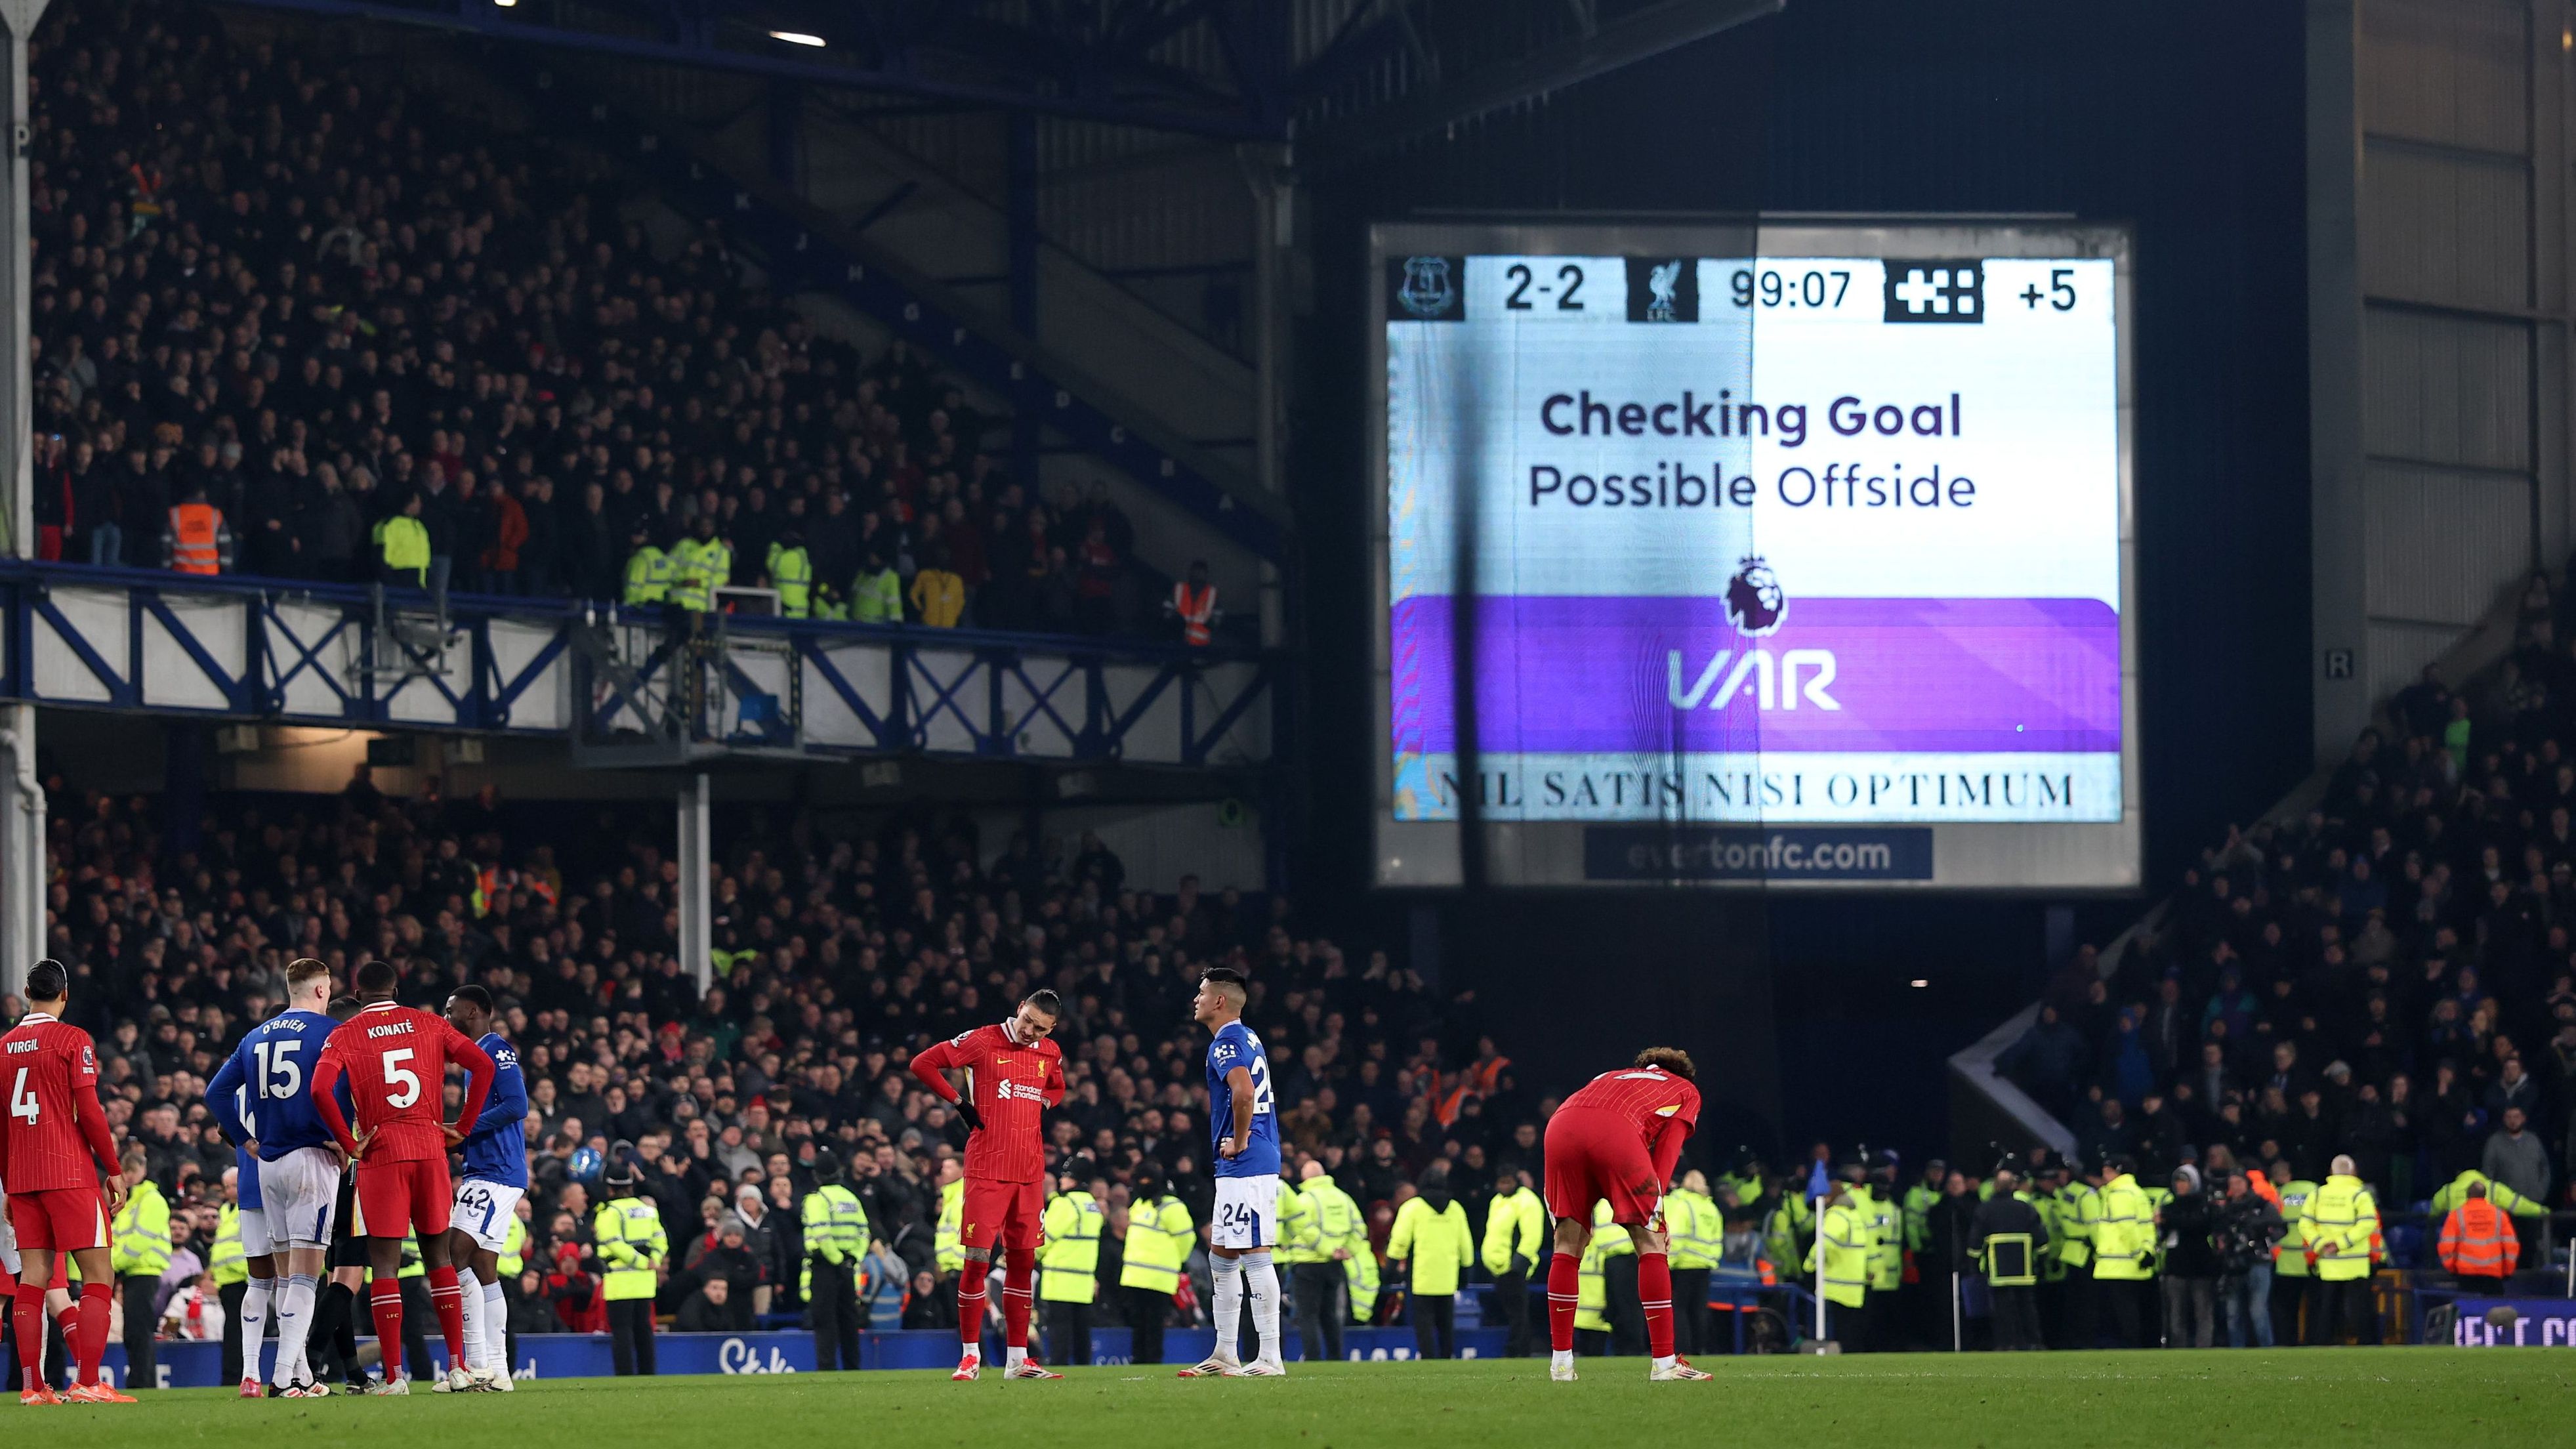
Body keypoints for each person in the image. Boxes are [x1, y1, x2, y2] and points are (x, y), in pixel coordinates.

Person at [309, 958, 498, 1394]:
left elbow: (320, 1089)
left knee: (385, 1266)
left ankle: (394, 1377)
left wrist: (349, 1140)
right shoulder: (428, 1023)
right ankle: (457, 1367)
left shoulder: (346, 1033)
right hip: (430, 1148)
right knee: (440, 1260)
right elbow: (484, 1067)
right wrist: (464, 1128)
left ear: (358, 997)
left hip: (381, 1153)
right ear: (396, 992)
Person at [909, 988, 1068, 1379]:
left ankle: (1018, 1360)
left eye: (1040, 1028)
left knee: (1022, 1263)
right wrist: (961, 1104)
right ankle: (970, 1356)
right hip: (987, 1169)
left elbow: (1057, 1086)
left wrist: (1045, 1104)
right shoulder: (982, 1040)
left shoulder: (1050, 1051)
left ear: (1052, 1028)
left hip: (1030, 1174)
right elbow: (923, 1064)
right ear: (1019, 1009)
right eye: (1028, 1021)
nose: (1030, 1031)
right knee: (977, 1261)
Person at [203, 958, 342, 1396]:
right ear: (322, 991)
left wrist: (245, 1139)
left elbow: (215, 1093)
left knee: (278, 1277)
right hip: (310, 1159)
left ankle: (281, 1373)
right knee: (304, 1276)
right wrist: (345, 1140)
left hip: (267, 1166)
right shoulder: (329, 1033)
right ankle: (286, 1377)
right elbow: (334, 1090)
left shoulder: (254, 1037)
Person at [0, 960, 133, 1404]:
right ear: (64, 995)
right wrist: (114, 1169)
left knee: (32, 1278)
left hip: (23, 1177)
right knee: (98, 1275)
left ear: (26, 992)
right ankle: (90, 1382)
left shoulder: (3, 1047)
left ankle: (32, 1387)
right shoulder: (73, 1040)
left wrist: (7, 1184)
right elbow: (91, 1112)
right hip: (70, 1174)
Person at [1541, 1047, 1711, 1383]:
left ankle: (1561, 1364)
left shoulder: (1608, 1075)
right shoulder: (1685, 1089)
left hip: (1560, 1126)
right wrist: (1656, 1213)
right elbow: (1666, 1151)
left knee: (1566, 1245)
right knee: (1651, 1244)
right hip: (1615, 1133)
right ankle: (1664, 1364)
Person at [1176, 967, 1287, 1377]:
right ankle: (1226, 1352)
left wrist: (1239, 1142)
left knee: (1255, 1253)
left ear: (1219, 1001)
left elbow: (1244, 1092)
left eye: (1202, 993)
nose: (1196, 999)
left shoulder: (1226, 1042)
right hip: (1242, 1163)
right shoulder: (1249, 1036)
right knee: (1222, 1254)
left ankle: (1270, 1357)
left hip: (1247, 1160)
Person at [441, 985, 528, 1391]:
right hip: (485, 1168)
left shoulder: (496, 1050)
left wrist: (464, 1129)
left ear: (472, 1011)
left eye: (450, 1010)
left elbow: (516, 1105)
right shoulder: (476, 1060)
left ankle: (476, 1362)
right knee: (482, 1266)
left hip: (498, 1171)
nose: (446, 1017)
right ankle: (498, 1370)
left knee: (454, 1250)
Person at [1387, 1164, 1473, 1360]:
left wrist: (1389, 1269)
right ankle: (1446, 1359)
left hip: (1422, 1277)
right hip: (1448, 1277)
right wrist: (1465, 1272)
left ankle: (1428, 1360)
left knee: (1424, 1324)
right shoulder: (1455, 1209)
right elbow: (1466, 1245)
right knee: (1446, 1325)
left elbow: (1399, 1241)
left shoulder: (1413, 1208)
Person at [592, 1156, 666, 1376]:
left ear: (610, 1189)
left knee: (622, 1331)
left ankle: (624, 1377)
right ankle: (648, 1375)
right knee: (644, 1329)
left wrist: (640, 1262)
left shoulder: (609, 1212)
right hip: (645, 1281)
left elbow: (613, 1244)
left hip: (620, 1279)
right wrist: (654, 1261)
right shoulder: (648, 1210)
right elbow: (661, 1239)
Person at [2300, 1154, 2381, 1345]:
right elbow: (2368, 1224)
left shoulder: (2318, 1194)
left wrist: (2321, 1244)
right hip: (2356, 1263)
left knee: (2327, 1310)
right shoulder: (2360, 1195)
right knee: (2360, 1311)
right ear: (2353, 1172)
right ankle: (2367, 1347)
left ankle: (2323, 1347)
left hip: (2328, 1263)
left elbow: (2305, 1224)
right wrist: (2342, 1243)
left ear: (2331, 1172)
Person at [1118, 1162, 1193, 1366]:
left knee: (1154, 1324)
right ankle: (1139, 1359)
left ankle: (1152, 1360)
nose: (1143, 1184)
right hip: (1134, 1276)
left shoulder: (1172, 1207)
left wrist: (1175, 1262)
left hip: (1159, 1278)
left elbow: (1186, 1240)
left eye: (1147, 1180)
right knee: (1138, 1323)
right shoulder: (1139, 1204)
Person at [801, 1151, 869, 1372]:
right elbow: (864, 1233)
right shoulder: (851, 1198)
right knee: (849, 1321)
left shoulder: (817, 1199)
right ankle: (853, 1369)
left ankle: (827, 1369)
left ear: (817, 1175)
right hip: (849, 1268)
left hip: (826, 1267)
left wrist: (838, 1261)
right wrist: (853, 1259)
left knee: (824, 1321)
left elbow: (822, 1235)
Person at [1968, 1161, 2048, 1351]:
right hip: (2024, 1268)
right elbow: (2042, 1239)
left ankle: (2006, 1343)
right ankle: (2034, 1342)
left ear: (1995, 1186)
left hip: (1998, 1269)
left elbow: (1974, 1241)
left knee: (2002, 1308)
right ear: (2014, 1186)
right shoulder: (2026, 1208)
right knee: (2027, 1307)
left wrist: (1973, 1265)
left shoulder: (1985, 1209)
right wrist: (2043, 1263)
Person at [1286, 1158, 1356, 1364]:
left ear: (1305, 1177)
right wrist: (1346, 1250)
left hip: (1308, 1264)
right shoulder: (1344, 1198)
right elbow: (1359, 1229)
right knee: (1330, 1314)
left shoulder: (1304, 1200)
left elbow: (1303, 1229)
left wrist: (1327, 1249)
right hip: (1335, 1266)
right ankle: (1336, 1357)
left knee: (1308, 1315)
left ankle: (1313, 1358)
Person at [1037, 1164, 1103, 1368]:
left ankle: (1059, 1367)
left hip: (1060, 1278)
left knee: (1060, 1331)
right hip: (1083, 1280)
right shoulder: (1092, 1205)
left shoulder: (1064, 1204)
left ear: (1074, 1180)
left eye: (1066, 1177)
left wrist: (1031, 1255)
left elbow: (1044, 1239)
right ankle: (1084, 1369)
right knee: (1082, 1330)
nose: (1061, 1180)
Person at [1481, 1165, 1547, 1358]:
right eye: (1501, 1182)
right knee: (1511, 1311)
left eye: (1507, 1182)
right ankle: (1516, 1347)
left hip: (1515, 1267)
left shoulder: (1527, 1201)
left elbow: (1532, 1234)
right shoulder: (1497, 1201)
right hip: (1498, 1267)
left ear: (1516, 1181)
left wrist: (1519, 1263)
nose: (1504, 1186)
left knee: (1518, 1312)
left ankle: (1519, 1349)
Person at [2090, 1155, 2155, 1347]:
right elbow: (2146, 1226)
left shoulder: (2118, 1194)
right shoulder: (2137, 1192)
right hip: (2133, 1265)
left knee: (2121, 1312)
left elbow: (2127, 1227)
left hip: (2116, 1265)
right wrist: (2147, 1251)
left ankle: (2127, 1347)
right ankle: (2134, 1345)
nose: (2104, 1174)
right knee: (2132, 1309)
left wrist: (2139, 1253)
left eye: (2108, 1170)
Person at [2214, 1171, 2283, 1348]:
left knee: (2258, 1310)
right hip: (2233, 1264)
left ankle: (2266, 1349)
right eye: (2232, 1183)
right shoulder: (2226, 1210)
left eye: (2239, 1182)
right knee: (2233, 1312)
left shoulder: (2261, 1205)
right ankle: (2236, 1351)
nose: (2236, 1187)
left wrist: (2265, 1239)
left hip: (2258, 1261)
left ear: (2247, 1184)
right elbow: (2217, 1232)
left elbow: (2280, 1227)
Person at [1660, 1169, 1721, 1359]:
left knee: (1679, 1308)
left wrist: (1668, 1263)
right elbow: (1718, 1238)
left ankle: (1683, 1348)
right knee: (1699, 1309)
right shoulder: (1711, 1208)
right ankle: (1700, 1347)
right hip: (1705, 1265)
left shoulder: (1683, 1204)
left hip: (1684, 1265)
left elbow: (1677, 1236)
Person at [2157, 1166, 2219, 1349]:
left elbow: (2198, 1226)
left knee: (2203, 1314)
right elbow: (2163, 1234)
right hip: (2176, 1267)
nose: (2180, 1185)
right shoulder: (2169, 1206)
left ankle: (2204, 1349)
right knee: (2176, 1316)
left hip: (2202, 1267)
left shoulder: (2205, 1205)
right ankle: (2178, 1351)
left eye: (2184, 1181)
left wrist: (2170, 1220)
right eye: (2177, 1181)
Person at [1806, 1174, 1871, 1348]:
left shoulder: (1837, 1217)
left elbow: (1824, 1243)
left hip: (1835, 1288)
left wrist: (1809, 1263)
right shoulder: (1854, 1216)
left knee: (1835, 1335)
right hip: (1854, 1289)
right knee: (1850, 1336)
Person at [2435, 1179, 2520, 1294]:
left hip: (2466, 1274)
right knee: (2493, 1309)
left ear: (2468, 1195)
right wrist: (2508, 1271)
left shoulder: (2457, 1215)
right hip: (2493, 1275)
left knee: (2469, 1310)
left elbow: (2446, 1246)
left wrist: (2452, 1269)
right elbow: (2512, 1246)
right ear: (2485, 1195)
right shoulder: (2499, 1214)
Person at [162, 479, 234, 576]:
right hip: (209, 575)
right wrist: (226, 571)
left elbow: (166, 545)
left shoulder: (174, 514)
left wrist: (165, 568)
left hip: (181, 574)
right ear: (202, 494)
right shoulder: (215, 514)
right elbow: (225, 545)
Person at [373, 492, 431, 589]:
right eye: (417, 502)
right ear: (409, 503)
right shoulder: (388, 525)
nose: (421, 505)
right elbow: (380, 556)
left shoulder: (419, 525)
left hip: (419, 582)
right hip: (398, 579)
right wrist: (389, 583)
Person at [1167, 559, 1218, 646]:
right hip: (1178, 644)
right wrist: (1174, 620)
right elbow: (1166, 611)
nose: (1198, 575)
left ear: (1206, 575)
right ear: (1190, 573)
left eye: (1200, 572)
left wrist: (1212, 623)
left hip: (1200, 647)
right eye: (1195, 572)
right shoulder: (1179, 589)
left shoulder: (1212, 594)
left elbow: (1217, 620)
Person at [620, 521, 670, 608]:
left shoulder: (640, 558)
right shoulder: (661, 556)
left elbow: (633, 588)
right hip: (660, 610)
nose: (633, 538)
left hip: (641, 609)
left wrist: (628, 606)